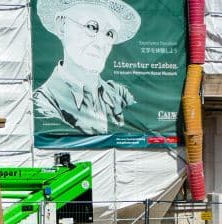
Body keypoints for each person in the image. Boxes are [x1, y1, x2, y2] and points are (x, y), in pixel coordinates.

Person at [33, 0, 141, 135]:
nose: (101, 44)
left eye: (109, 34)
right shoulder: (43, 103)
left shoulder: (119, 94)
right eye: (91, 27)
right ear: (62, 26)